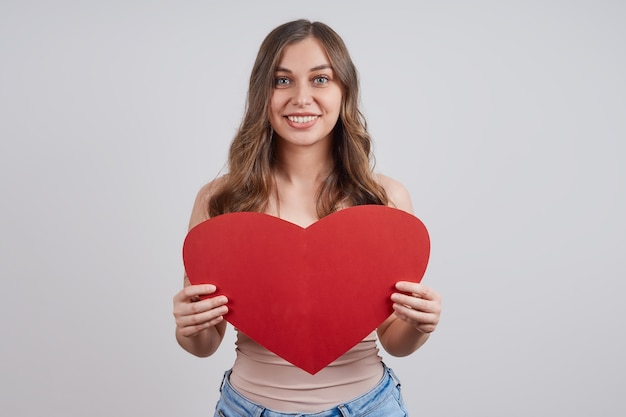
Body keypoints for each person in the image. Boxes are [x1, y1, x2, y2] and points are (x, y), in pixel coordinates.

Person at [172, 19, 442, 416]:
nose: (301, 97)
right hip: (247, 408)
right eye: (282, 81)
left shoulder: (384, 200)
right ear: (261, 93)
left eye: (320, 79)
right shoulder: (220, 201)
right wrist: (188, 327)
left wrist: (419, 324)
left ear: (344, 91)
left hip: (369, 407)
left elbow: (393, 341)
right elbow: (205, 344)